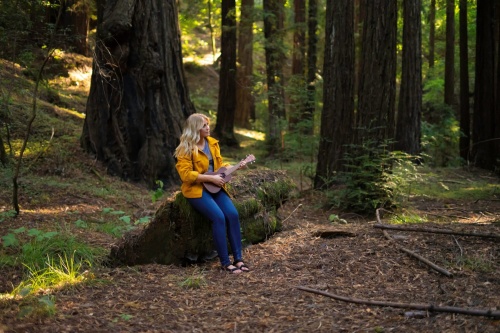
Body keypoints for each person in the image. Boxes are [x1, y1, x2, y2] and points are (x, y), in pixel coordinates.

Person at [174, 113, 250, 274]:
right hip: (196, 190)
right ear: (195, 128)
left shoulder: (213, 143)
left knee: (232, 214)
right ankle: (224, 262)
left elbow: (220, 165)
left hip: (215, 187)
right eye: (204, 125)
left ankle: (238, 259)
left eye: (208, 124)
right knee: (218, 217)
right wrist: (210, 178)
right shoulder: (186, 148)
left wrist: (234, 167)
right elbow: (185, 175)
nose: (208, 128)